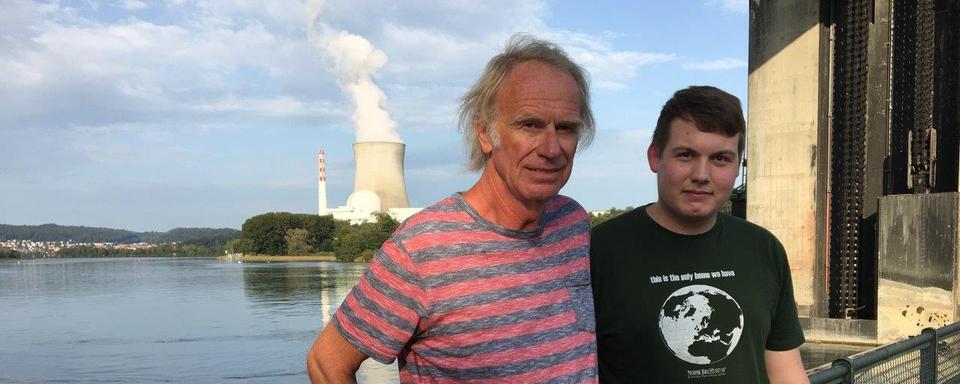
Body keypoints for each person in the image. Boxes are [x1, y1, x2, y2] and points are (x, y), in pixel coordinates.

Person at [307, 35, 599, 383]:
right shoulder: (422, 249)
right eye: (530, 125)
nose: (551, 148)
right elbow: (327, 362)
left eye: (566, 128)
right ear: (485, 134)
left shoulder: (573, 224)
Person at [590, 86, 809, 383]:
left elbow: (785, 370)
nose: (701, 174)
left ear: (736, 167)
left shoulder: (763, 249)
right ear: (655, 157)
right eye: (686, 155)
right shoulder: (598, 251)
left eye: (720, 159)